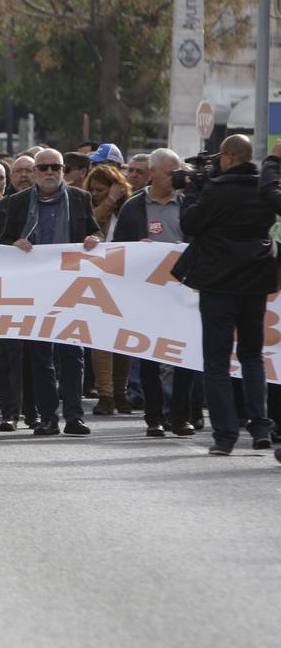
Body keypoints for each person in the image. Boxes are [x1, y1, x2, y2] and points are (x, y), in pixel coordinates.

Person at [176, 135, 281, 455]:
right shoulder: (264, 189)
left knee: (217, 362)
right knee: (252, 357)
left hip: (219, 283)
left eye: (221, 156)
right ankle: (261, 428)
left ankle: (225, 436)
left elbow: (190, 223)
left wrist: (193, 188)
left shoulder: (216, 189)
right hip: (256, 282)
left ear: (230, 156)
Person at [0, 148, 101, 437]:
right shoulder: (18, 202)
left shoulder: (81, 198)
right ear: (34, 173)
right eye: (43, 168)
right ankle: (47, 417)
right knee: (40, 354)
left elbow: (96, 232)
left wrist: (94, 239)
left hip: (71, 285)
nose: (49, 173)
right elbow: (3, 240)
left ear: (63, 170)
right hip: (33, 287)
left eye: (55, 167)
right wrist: (14, 243)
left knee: (73, 353)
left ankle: (74, 417)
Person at [112, 148, 201, 438]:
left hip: (182, 292)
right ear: (153, 174)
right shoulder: (133, 207)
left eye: (179, 171)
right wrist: (136, 249)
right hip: (147, 295)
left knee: (183, 357)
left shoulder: (189, 204)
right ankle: (154, 417)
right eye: (169, 172)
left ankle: (181, 416)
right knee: (149, 357)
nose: (176, 177)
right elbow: (117, 248)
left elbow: (200, 241)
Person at [85, 164, 134, 415]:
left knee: (122, 340)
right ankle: (105, 394)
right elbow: (92, 221)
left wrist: (116, 200)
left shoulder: (130, 208)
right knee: (101, 339)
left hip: (126, 282)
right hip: (97, 282)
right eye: (92, 190)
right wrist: (108, 200)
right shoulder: (90, 209)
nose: (95, 194)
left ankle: (120, 392)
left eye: (101, 190)